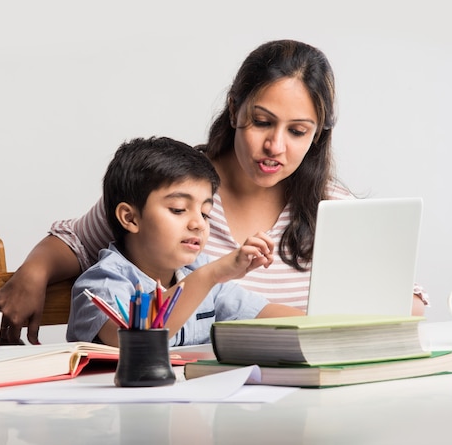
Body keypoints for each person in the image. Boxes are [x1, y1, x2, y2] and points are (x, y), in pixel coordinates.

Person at [0, 39, 428, 345]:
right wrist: (33, 273)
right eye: (261, 122)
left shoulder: (330, 206)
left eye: (297, 131)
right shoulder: (176, 184)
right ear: (235, 108)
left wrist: (342, 326)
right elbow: (78, 243)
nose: (275, 146)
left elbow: (400, 300)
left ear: (317, 135)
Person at [67, 136, 303, 347]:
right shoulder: (104, 283)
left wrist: (325, 323)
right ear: (130, 218)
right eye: (179, 209)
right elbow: (135, 337)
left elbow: (267, 314)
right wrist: (211, 275)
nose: (198, 223)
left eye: (205, 213)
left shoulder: (198, 272)